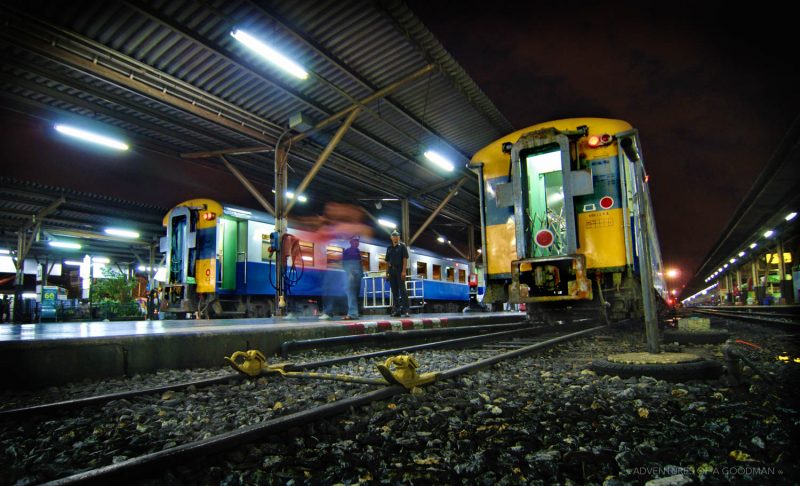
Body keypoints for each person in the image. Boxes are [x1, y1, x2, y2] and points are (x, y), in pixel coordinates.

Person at [384, 229, 409, 317]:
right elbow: (387, 261)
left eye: (397, 236)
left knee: (403, 291)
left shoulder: (402, 246)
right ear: (391, 238)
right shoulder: (389, 248)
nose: (395, 237)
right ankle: (397, 310)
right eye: (393, 236)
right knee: (394, 292)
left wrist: (404, 271)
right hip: (391, 270)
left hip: (399, 270)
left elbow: (405, 259)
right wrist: (386, 273)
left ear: (399, 237)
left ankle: (406, 310)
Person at [341, 235, 363, 320]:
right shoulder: (347, 251)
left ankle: (353, 313)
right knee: (351, 294)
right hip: (352, 275)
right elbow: (345, 264)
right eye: (355, 241)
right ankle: (353, 313)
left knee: (353, 294)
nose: (357, 242)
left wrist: (361, 274)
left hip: (357, 276)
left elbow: (360, 264)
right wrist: (350, 273)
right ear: (351, 242)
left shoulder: (358, 251)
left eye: (357, 241)